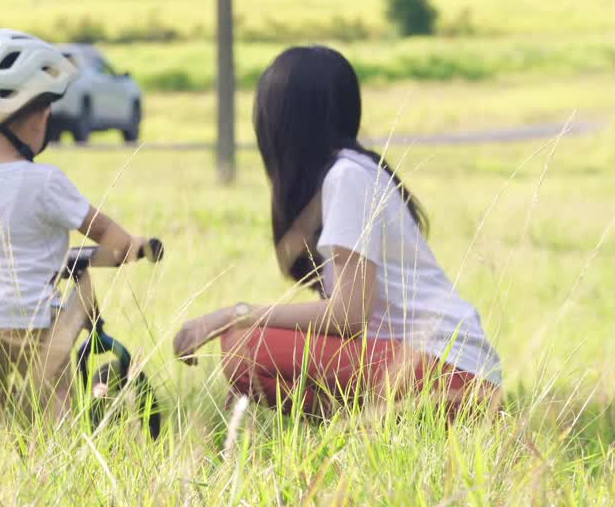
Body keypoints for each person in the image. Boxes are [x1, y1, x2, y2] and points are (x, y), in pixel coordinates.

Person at [172, 46, 502, 418]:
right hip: (442, 368)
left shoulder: (347, 178)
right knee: (250, 352)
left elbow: (348, 315)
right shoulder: (354, 173)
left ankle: (363, 431)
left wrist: (235, 314)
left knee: (244, 348)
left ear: (282, 124)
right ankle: (365, 432)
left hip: (452, 373)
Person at [0, 29, 149, 437]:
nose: (49, 116)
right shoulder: (47, 182)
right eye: (45, 107)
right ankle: (61, 446)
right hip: (28, 322)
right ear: (27, 116)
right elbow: (113, 239)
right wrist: (136, 246)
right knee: (56, 387)